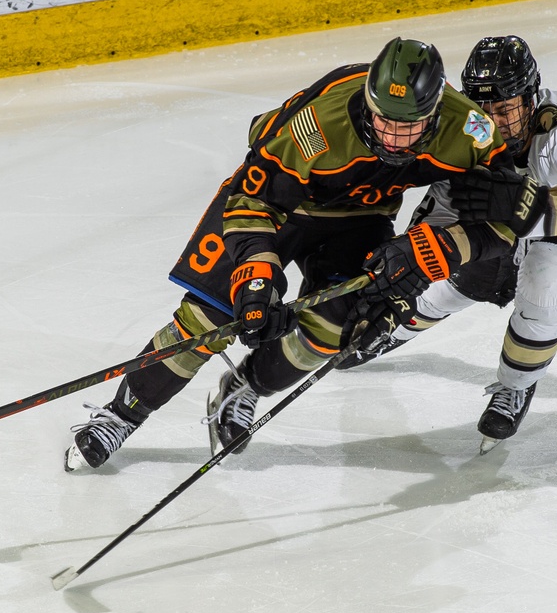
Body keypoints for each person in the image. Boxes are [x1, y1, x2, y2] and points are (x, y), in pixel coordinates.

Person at [64, 37, 519, 471]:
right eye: (385, 123)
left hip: (360, 215)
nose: (396, 140)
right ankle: (120, 416)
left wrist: (434, 251)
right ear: (369, 101)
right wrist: (258, 277)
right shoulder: (317, 121)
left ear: (437, 110)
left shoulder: (470, 129)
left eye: (411, 127)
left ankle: (245, 385)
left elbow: (509, 213)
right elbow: (251, 199)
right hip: (279, 208)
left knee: (332, 328)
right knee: (208, 321)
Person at [340, 35, 557, 454]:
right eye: (483, 108)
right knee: (451, 275)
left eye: (505, 109)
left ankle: (517, 385)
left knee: (547, 276)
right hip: (518, 215)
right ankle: (396, 330)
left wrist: (532, 205)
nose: (494, 121)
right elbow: (441, 216)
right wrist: (406, 274)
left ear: (531, 97)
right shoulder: (465, 133)